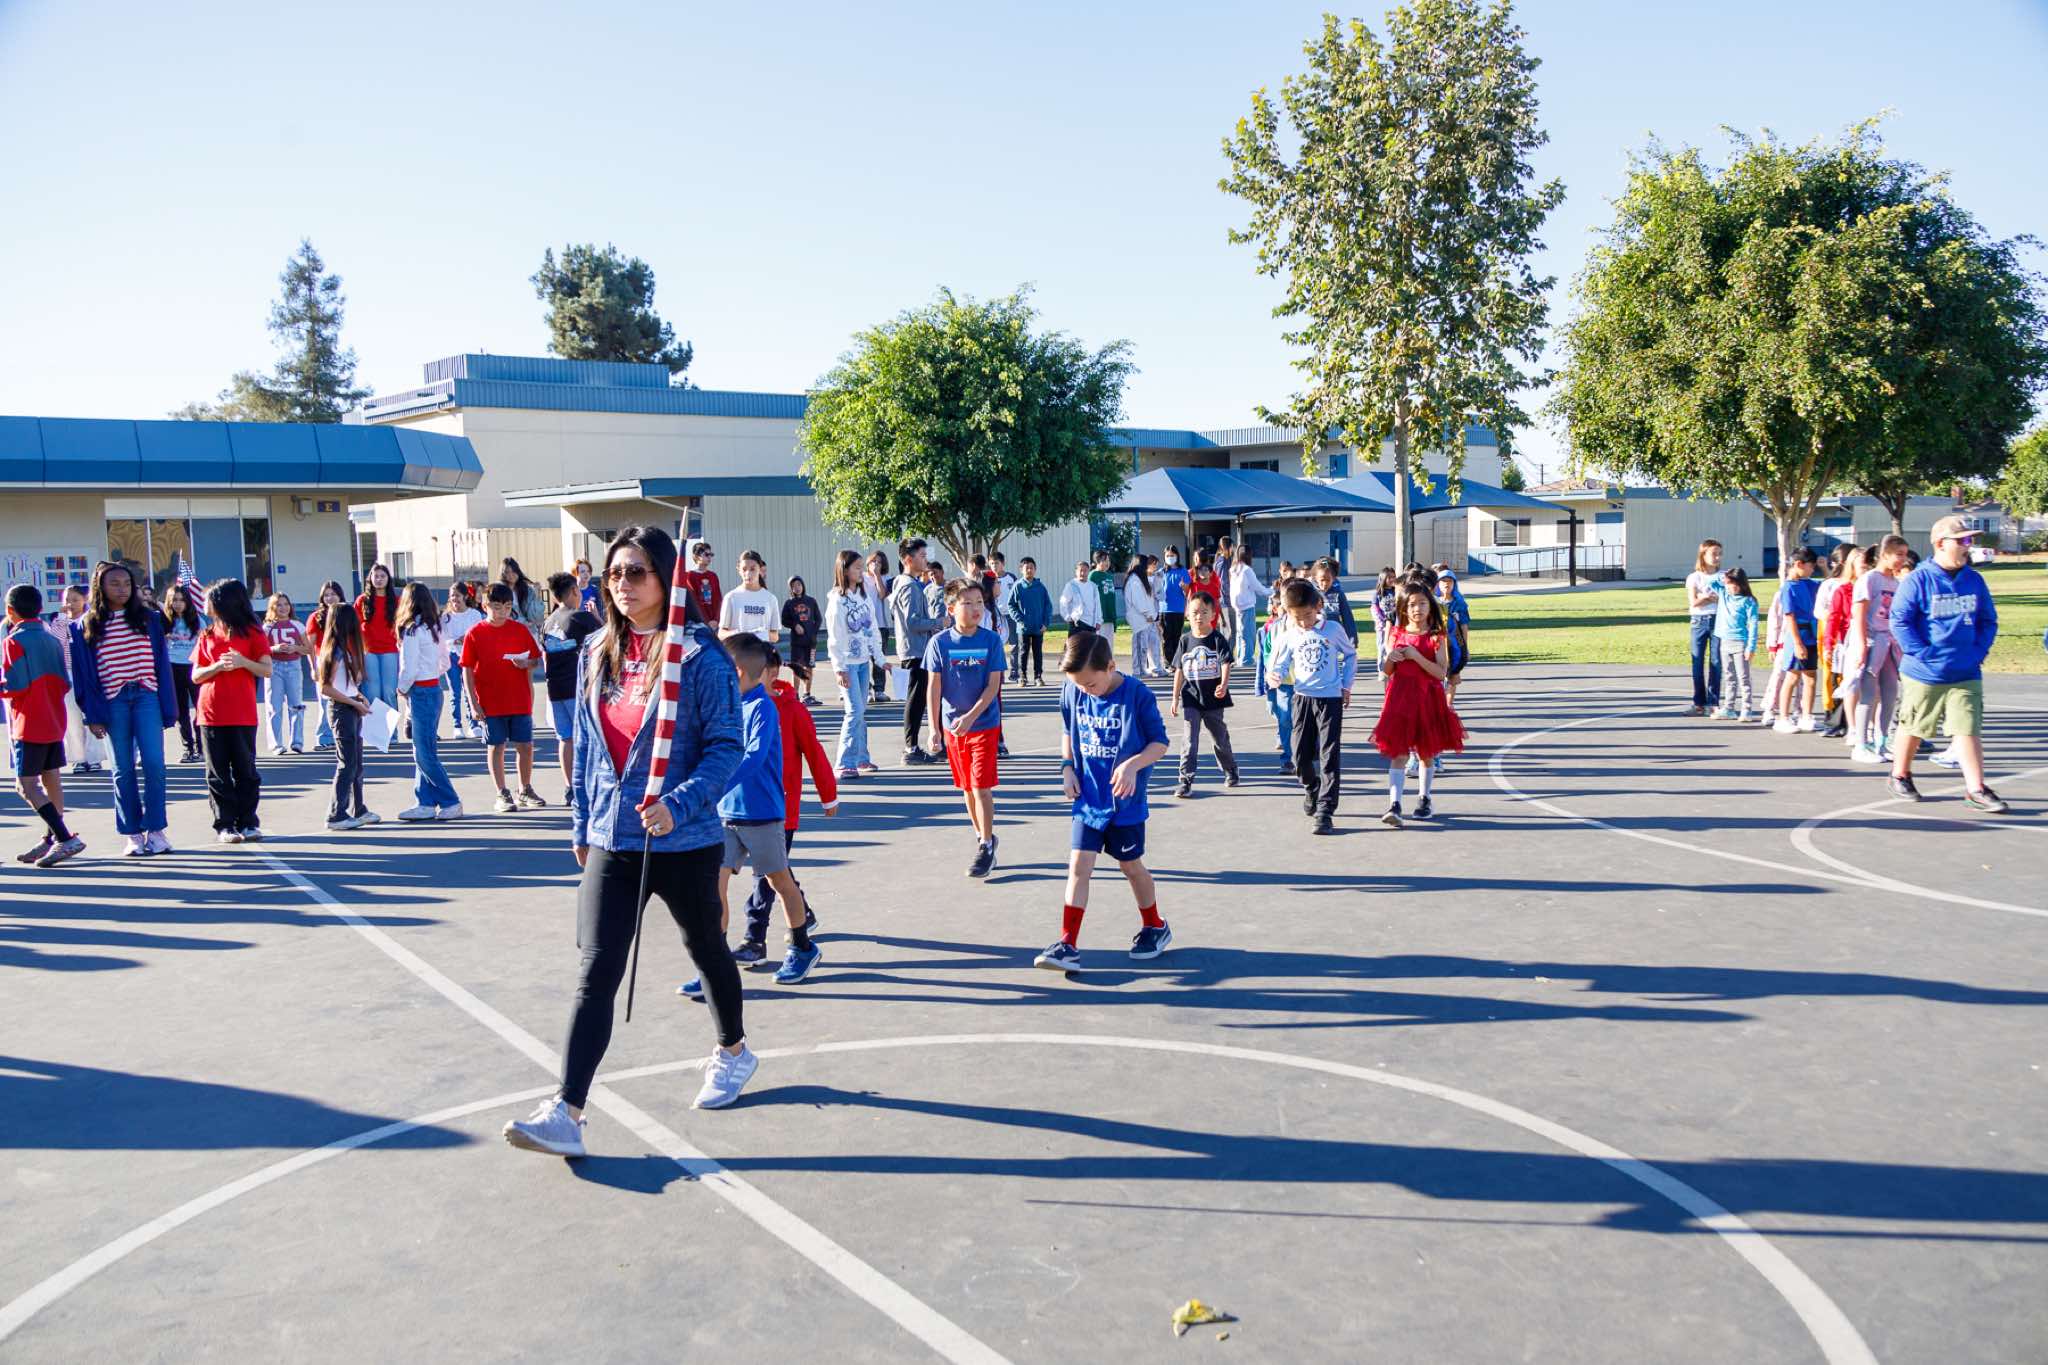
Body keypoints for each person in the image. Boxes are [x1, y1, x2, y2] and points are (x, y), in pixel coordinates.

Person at [502, 525, 753, 1158]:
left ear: (667, 578)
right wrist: (581, 822)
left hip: (683, 839)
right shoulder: (597, 650)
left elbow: (728, 747)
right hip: (613, 836)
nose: (623, 583)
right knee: (596, 969)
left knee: (706, 949)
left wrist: (679, 802)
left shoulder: (700, 657)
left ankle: (733, 1051)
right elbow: (588, 748)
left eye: (637, 571)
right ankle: (567, 1111)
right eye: (615, 572)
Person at [676, 634, 824, 994]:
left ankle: (802, 947)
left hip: (762, 814)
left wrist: (715, 785)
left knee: (780, 882)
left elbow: (753, 758)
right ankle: (714, 964)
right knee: (714, 888)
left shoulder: (762, 707)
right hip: (724, 816)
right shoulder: (725, 707)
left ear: (738, 672)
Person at [1033, 630, 1172, 972]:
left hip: (1125, 802)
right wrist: (1067, 768)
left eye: (1090, 684)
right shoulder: (1073, 689)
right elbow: (1068, 731)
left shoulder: (1137, 694)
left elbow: (1160, 743)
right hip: (1088, 799)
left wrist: (1132, 765)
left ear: (1110, 666)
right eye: (1078, 685)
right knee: (1078, 867)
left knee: (1131, 867)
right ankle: (1067, 943)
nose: (1084, 690)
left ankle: (1155, 925)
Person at [729, 648, 837, 973]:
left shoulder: (790, 709)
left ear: (771, 673)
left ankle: (754, 940)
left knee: (765, 878)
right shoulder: (734, 706)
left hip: (779, 810)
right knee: (777, 874)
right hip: (736, 809)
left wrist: (828, 796)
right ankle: (803, 913)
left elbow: (814, 753)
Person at [1886, 516, 2004, 811]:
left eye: (1970, 540)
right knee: (1914, 725)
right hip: (1925, 672)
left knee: (1967, 727)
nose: (1968, 546)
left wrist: (1978, 651)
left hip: (1965, 670)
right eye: (1962, 540)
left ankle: (1976, 788)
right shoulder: (1918, 580)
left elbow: (1988, 620)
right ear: (1940, 543)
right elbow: (1899, 621)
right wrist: (1922, 653)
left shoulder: (1974, 580)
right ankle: (1900, 774)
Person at [69, 561, 178, 857]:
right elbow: (83, 674)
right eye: (115, 584)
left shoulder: (149, 618)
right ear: (100, 587)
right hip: (112, 700)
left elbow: (162, 665)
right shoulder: (85, 625)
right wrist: (92, 715)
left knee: (154, 764)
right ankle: (132, 834)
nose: (122, 589)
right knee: (122, 769)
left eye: (127, 584)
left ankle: (156, 830)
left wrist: (168, 707)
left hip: (146, 696)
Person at [925, 578, 1006, 877]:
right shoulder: (939, 643)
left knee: (980, 785)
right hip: (953, 728)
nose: (976, 609)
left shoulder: (991, 641)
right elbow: (934, 688)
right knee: (967, 788)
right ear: (951, 609)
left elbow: (993, 686)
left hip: (984, 724)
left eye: (980, 603)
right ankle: (983, 836)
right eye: (968, 603)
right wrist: (934, 728)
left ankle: (986, 846)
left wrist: (971, 716)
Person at [1266, 578, 1357, 835]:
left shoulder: (1333, 629)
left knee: (1329, 754)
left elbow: (1350, 655)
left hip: (1330, 699)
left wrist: (1346, 685)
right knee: (1299, 756)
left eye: (1307, 615)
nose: (1304, 622)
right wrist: (1274, 675)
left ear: (1318, 606)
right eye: (1297, 618)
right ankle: (1311, 786)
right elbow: (1279, 662)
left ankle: (1326, 810)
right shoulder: (1289, 634)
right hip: (1302, 698)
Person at [4, 583, 85, 867]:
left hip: (28, 721)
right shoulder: (51, 639)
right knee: (52, 779)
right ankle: (51, 838)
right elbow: (64, 681)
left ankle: (63, 837)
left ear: (10, 611)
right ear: (40, 608)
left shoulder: (14, 641)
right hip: (53, 716)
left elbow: (15, 684)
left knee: (26, 786)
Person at [1374, 586, 1467, 825]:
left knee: (1426, 753)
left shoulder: (1436, 636)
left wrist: (1415, 656)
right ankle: (1394, 804)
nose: (1418, 609)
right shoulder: (1396, 634)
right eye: (1412, 604)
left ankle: (1424, 799)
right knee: (1399, 753)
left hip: (1427, 700)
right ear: (1404, 609)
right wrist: (1390, 658)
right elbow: (1388, 671)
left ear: (1430, 606)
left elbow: (1440, 672)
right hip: (1400, 700)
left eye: (1422, 603)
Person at [190, 578, 273, 844]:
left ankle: (248, 822)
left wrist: (242, 662)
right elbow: (196, 675)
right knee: (217, 773)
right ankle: (225, 825)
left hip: (242, 712)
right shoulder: (207, 634)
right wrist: (216, 667)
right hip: (210, 713)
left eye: (209, 599)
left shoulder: (252, 632)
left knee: (245, 771)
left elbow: (266, 669)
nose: (205, 604)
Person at [462, 582, 546, 813]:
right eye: (497, 607)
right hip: (490, 702)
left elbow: (535, 659)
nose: (503, 612)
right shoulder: (475, 633)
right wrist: (473, 704)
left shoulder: (519, 630)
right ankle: (501, 792)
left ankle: (524, 789)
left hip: (519, 699)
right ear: (485, 606)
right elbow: (467, 669)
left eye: (507, 607)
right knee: (496, 746)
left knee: (525, 746)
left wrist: (526, 663)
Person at [396, 582, 463, 821]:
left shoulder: (412, 630)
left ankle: (450, 800)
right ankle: (424, 801)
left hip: (421, 691)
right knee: (425, 749)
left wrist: (401, 688)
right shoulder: (434, 627)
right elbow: (444, 661)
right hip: (434, 688)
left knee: (423, 753)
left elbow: (409, 667)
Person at [1169, 591, 1240, 798]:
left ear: (1213, 615)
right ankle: (1185, 780)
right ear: (1187, 615)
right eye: (1194, 612)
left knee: (1219, 739)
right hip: (1191, 698)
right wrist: (1175, 698)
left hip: (1213, 699)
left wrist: (1224, 684)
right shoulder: (1184, 640)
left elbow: (1226, 662)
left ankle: (1230, 769)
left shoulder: (1217, 639)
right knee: (1189, 740)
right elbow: (1179, 670)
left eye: (1203, 612)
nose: (1198, 616)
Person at [541, 572, 603, 805]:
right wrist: (597, 618)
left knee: (565, 738)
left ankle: (570, 787)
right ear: (575, 591)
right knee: (586, 739)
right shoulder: (581, 618)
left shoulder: (548, 622)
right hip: (578, 687)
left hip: (555, 688)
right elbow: (608, 640)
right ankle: (586, 786)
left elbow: (545, 656)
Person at [825, 549, 886, 778]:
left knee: (861, 711)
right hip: (848, 664)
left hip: (862, 663)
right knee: (854, 711)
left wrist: (880, 659)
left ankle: (861, 758)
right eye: (857, 567)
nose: (862, 572)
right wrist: (839, 668)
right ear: (844, 569)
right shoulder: (837, 600)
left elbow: (872, 629)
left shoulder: (863, 596)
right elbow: (835, 638)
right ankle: (844, 762)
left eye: (862, 567)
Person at [1846, 535, 1907, 765]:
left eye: (1904, 555)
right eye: (1899, 554)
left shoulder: (1896, 583)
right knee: (1869, 694)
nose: (1902, 560)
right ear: (1885, 554)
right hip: (1872, 641)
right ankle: (1861, 744)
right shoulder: (1869, 579)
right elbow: (1859, 613)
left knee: (1890, 694)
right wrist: (1862, 644)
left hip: (1889, 642)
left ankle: (1881, 742)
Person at [317, 601, 377, 831]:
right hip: (341, 710)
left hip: (350, 707)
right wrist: (353, 702)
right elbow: (326, 688)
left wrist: (359, 697)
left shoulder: (345, 649)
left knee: (356, 763)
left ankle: (358, 809)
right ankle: (336, 814)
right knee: (347, 763)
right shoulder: (335, 651)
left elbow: (344, 684)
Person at [889, 538, 943, 764]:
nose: (926, 560)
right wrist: (937, 622)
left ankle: (923, 746)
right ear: (908, 559)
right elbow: (913, 622)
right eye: (922, 556)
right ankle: (911, 748)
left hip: (914, 648)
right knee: (916, 700)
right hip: (915, 650)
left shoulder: (904, 582)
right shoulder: (909, 586)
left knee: (920, 698)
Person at [56, 585, 110, 775]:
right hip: (67, 673)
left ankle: (94, 757)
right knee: (72, 718)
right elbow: (57, 644)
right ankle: (78, 758)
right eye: (67, 600)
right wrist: (62, 620)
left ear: (84, 600)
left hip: (89, 672)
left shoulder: (91, 620)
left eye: (75, 599)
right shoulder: (59, 622)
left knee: (91, 714)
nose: (70, 604)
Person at [1770, 549, 1821, 734]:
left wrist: (1824, 568)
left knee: (1811, 677)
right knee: (1792, 676)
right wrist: (1798, 643)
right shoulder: (1788, 587)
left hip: (1812, 635)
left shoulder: (1810, 584)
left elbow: (1830, 584)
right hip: (1797, 635)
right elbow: (1789, 616)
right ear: (1799, 564)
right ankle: (1783, 718)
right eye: (1811, 566)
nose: (1813, 570)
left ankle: (1806, 716)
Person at [1253, 582, 1295, 774]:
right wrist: (1271, 674)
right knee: (1284, 719)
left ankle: (1308, 752)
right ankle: (1287, 758)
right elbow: (1268, 654)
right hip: (1284, 683)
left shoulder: (1310, 624)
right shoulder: (1276, 628)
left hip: (1306, 683)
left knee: (1306, 721)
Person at [160, 583, 205, 763]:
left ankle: (202, 748)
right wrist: (164, 637)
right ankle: (188, 748)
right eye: (174, 600)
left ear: (187, 602)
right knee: (181, 711)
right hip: (173, 667)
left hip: (193, 667)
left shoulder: (197, 620)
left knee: (200, 708)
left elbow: (204, 644)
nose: (178, 604)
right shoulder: (164, 621)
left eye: (181, 600)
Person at [261, 592, 309, 755]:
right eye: (279, 605)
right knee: (274, 706)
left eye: (286, 604)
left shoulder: (297, 625)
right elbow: (260, 650)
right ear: (272, 607)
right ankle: (276, 744)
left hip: (293, 666)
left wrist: (295, 648)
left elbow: (308, 648)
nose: (283, 608)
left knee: (296, 705)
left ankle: (297, 742)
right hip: (274, 666)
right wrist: (274, 649)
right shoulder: (267, 627)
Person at [1815, 545, 1855, 735]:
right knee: (1832, 677)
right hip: (1833, 635)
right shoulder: (1830, 585)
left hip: (1852, 637)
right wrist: (1835, 619)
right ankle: (1832, 715)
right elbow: (1819, 610)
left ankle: (1849, 718)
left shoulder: (1860, 583)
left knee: (1850, 678)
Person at [1711, 568, 1759, 721]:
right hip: (1724, 642)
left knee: (1743, 678)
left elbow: (1753, 625)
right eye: (1728, 583)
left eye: (1733, 583)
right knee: (1729, 677)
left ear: (1741, 584)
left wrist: (1750, 647)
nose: (1730, 587)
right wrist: (1724, 576)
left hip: (1740, 644)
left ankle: (1747, 709)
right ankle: (1729, 708)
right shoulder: (1724, 594)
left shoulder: (1749, 601)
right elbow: (1712, 582)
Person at [1684, 539, 1725, 715]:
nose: (1717, 557)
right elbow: (1694, 602)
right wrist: (1708, 598)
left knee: (1716, 662)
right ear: (1703, 554)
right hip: (1698, 621)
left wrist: (1705, 597)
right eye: (1714, 554)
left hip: (1718, 621)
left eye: (1720, 554)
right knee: (1697, 662)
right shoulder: (1694, 577)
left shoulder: (1724, 576)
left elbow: (1726, 599)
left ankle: (1713, 703)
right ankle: (1699, 703)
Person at [305, 580, 346, 750]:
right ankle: (323, 738)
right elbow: (310, 646)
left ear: (340, 596)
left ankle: (341, 736)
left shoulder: (346, 614)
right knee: (325, 700)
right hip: (323, 660)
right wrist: (313, 668)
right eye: (326, 595)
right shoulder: (315, 617)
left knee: (345, 699)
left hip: (345, 661)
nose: (330, 598)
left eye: (333, 594)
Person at [441, 581, 483, 740]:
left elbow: (478, 634)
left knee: (470, 690)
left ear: (465, 596)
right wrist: (455, 641)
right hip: (451, 656)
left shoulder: (474, 615)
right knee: (455, 691)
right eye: (452, 596)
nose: (455, 599)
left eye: (457, 595)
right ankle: (457, 725)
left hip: (469, 657)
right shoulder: (445, 617)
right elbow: (442, 639)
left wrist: (467, 639)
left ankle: (474, 724)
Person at [355, 563, 401, 710]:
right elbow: (354, 628)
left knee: (389, 691)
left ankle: (391, 726)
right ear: (370, 578)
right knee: (372, 692)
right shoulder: (362, 601)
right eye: (376, 576)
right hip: (368, 652)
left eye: (382, 576)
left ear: (388, 579)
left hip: (390, 651)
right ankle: (372, 725)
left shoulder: (397, 601)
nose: (379, 579)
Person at [719, 551, 780, 641]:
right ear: (739, 570)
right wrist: (740, 634)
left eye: (752, 569)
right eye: (744, 569)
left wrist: (760, 635)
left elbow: (775, 637)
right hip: (739, 649)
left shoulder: (771, 598)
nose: (748, 573)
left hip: (761, 649)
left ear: (760, 570)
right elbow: (721, 634)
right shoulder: (731, 597)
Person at [1012, 557, 1053, 685]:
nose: (1029, 570)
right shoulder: (1018, 586)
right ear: (1021, 569)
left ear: (1035, 569)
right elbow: (1011, 605)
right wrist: (1020, 619)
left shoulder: (1040, 587)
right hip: (1023, 627)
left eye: (1031, 568)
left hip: (1038, 627)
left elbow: (1048, 606)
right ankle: (1022, 676)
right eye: (1026, 568)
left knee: (1038, 653)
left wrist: (1045, 623)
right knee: (1023, 652)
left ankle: (1038, 676)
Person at [781, 575, 820, 703]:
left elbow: (818, 619)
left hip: (810, 641)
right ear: (790, 588)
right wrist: (794, 625)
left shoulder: (811, 601)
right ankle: (795, 694)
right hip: (797, 642)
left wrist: (813, 633)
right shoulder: (789, 603)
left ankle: (807, 694)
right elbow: (784, 620)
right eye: (793, 586)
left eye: (798, 585)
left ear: (803, 585)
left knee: (809, 667)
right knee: (797, 667)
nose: (797, 588)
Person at [1433, 571, 1470, 706]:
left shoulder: (1459, 603)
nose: (1446, 584)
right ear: (1438, 584)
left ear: (1454, 584)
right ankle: (1437, 703)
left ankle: (1449, 705)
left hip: (1454, 643)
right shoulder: (1433, 602)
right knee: (1437, 673)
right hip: (1437, 643)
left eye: (1450, 581)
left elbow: (1464, 625)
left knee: (1453, 674)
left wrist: (1465, 647)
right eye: (1443, 581)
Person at [1228, 546, 1269, 668]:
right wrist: (1272, 591)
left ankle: (1241, 657)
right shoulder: (1247, 570)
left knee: (1240, 633)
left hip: (1237, 607)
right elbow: (1258, 588)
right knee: (1249, 635)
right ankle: (1247, 660)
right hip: (1247, 606)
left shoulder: (1233, 569)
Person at [1123, 555, 1162, 677]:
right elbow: (1138, 600)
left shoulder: (1139, 579)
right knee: (1140, 645)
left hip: (1145, 619)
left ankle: (1143, 668)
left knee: (1144, 645)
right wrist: (1148, 614)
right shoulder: (1134, 580)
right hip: (1140, 619)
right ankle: (1139, 670)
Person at [863, 550, 893, 703]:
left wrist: (877, 575)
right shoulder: (861, 577)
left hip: (881, 624)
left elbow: (882, 594)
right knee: (864, 658)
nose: (876, 564)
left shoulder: (886, 578)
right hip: (863, 625)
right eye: (873, 561)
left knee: (879, 658)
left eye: (879, 562)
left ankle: (879, 690)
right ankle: (866, 689)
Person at [1159, 545, 1191, 665]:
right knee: (1166, 637)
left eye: (1172, 555)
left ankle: (1176, 663)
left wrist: (1184, 587)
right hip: (1164, 609)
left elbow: (1187, 591)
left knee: (1177, 637)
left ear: (1177, 556)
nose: (1170, 557)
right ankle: (1168, 662)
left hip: (1178, 609)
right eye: (1167, 555)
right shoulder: (1161, 572)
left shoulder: (1183, 571)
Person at [992, 552, 1021, 682]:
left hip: (1010, 615)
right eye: (992, 563)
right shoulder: (990, 579)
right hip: (996, 616)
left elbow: (1017, 596)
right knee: (998, 645)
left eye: (996, 563)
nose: (994, 566)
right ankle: (1000, 673)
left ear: (1003, 564)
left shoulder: (1011, 577)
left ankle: (1014, 671)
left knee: (1014, 644)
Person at [499, 556, 546, 636]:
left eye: (513, 571)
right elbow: (502, 615)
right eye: (507, 572)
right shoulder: (500, 591)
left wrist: (537, 595)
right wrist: (523, 622)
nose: (511, 575)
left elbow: (536, 617)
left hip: (530, 633)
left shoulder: (527, 590)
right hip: (511, 633)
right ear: (503, 574)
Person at [682, 538, 724, 628]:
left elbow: (718, 599)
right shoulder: (689, 576)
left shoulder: (713, 576)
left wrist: (716, 620)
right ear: (696, 557)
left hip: (715, 623)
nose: (709, 557)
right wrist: (706, 621)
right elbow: (694, 601)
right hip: (699, 623)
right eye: (706, 554)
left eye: (711, 555)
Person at [1059, 560, 1102, 635]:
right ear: (1076, 572)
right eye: (1080, 570)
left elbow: (1098, 605)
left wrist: (1098, 621)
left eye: (1085, 571)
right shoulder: (1071, 585)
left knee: (1091, 643)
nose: (1082, 573)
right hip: (1077, 623)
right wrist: (1068, 617)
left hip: (1091, 624)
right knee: (1075, 643)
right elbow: (1063, 602)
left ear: (1088, 571)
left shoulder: (1093, 586)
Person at [1370, 567, 1399, 674]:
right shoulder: (1378, 593)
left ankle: (1394, 668)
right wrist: (1381, 622)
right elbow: (1375, 608)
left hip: (1395, 625)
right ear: (1383, 578)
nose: (1392, 579)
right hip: (1383, 626)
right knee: (1382, 646)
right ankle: (1382, 669)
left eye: (1394, 577)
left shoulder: (1397, 591)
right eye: (1389, 577)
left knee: (1394, 646)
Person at [1088, 551, 1120, 635]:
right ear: (1097, 561)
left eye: (1108, 560)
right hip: (1099, 618)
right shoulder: (1093, 575)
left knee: (1109, 642)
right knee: (1099, 642)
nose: (1107, 563)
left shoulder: (1109, 576)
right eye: (1105, 560)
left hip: (1110, 616)